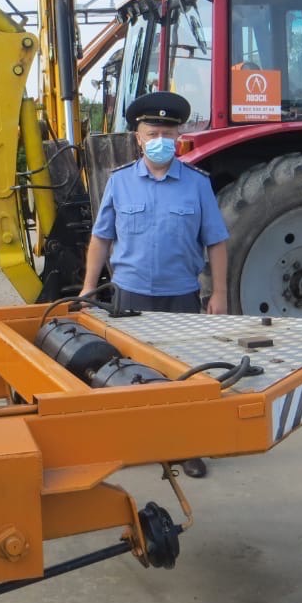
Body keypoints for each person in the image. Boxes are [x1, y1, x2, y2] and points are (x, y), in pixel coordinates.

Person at [80, 91, 229, 478]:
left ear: (178, 136)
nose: (159, 138)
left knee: (184, 376)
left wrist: (220, 293)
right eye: (151, 131)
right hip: (129, 297)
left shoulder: (197, 184)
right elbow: (101, 239)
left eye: (167, 131)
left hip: (180, 296)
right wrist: (87, 289)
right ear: (137, 138)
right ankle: (137, 443)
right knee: (129, 373)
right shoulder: (120, 182)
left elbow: (216, 241)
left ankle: (188, 447)